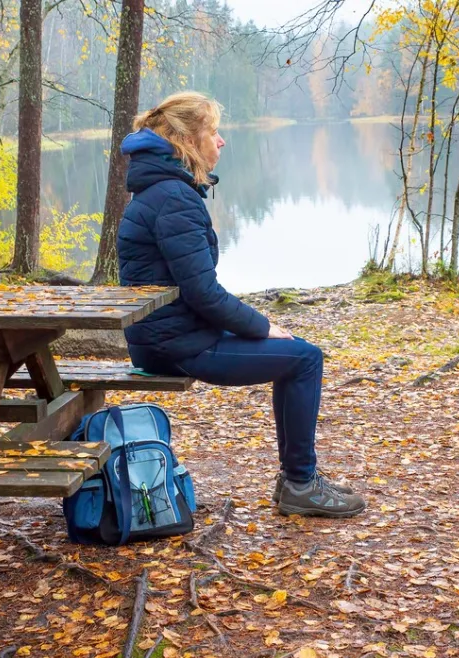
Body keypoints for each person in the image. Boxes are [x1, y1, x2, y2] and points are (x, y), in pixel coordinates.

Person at [116, 91, 366, 519]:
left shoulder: (159, 191)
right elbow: (202, 292)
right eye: (213, 132)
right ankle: (300, 485)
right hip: (177, 344)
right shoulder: (174, 198)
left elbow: (192, 290)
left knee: (298, 352)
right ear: (187, 141)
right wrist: (260, 325)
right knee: (304, 358)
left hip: (163, 337)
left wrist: (253, 325)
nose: (222, 141)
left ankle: (298, 481)